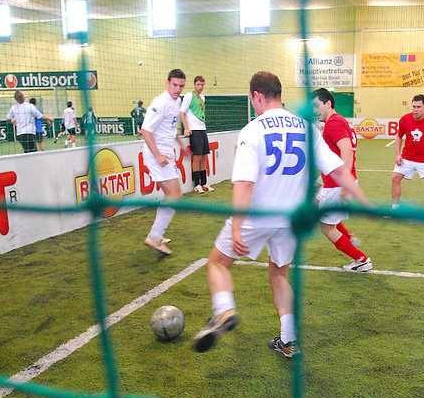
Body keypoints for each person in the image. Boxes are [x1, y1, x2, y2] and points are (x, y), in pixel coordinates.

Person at [192, 71, 370, 357]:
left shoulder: (252, 130)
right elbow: (337, 169)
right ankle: (289, 340)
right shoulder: (306, 127)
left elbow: (245, 184)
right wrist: (363, 199)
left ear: (257, 96)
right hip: (291, 218)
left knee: (218, 263)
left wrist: (237, 227)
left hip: (258, 214)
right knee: (279, 275)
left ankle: (224, 310)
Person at [311, 88, 372, 272]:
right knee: (317, 208)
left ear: (328, 103)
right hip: (334, 182)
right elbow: (336, 155)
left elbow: (346, 151)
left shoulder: (334, 123)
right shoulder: (340, 121)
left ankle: (361, 260)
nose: (314, 110)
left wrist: (346, 184)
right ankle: (349, 237)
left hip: (337, 185)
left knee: (326, 227)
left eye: (317, 105)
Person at [141, 68, 191, 256]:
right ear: (167, 83)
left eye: (181, 86)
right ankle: (155, 236)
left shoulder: (176, 101)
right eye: (174, 85)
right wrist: (157, 156)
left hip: (166, 153)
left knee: (173, 196)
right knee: (175, 197)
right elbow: (146, 130)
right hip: (157, 154)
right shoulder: (160, 102)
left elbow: (171, 129)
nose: (178, 89)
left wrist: (181, 146)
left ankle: (156, 234)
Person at [180, 75, 214, 193]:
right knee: (197, 157)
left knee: (204, 156)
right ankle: (197, 184)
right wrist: (186, 128)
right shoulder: (189, 96)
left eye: (202, 85)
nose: (200, 87)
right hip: (194, 130)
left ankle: (204, 182)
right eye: (198, 84)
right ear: (194, 84)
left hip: (202, 129)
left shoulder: (202, 98)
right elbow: (182, 112)